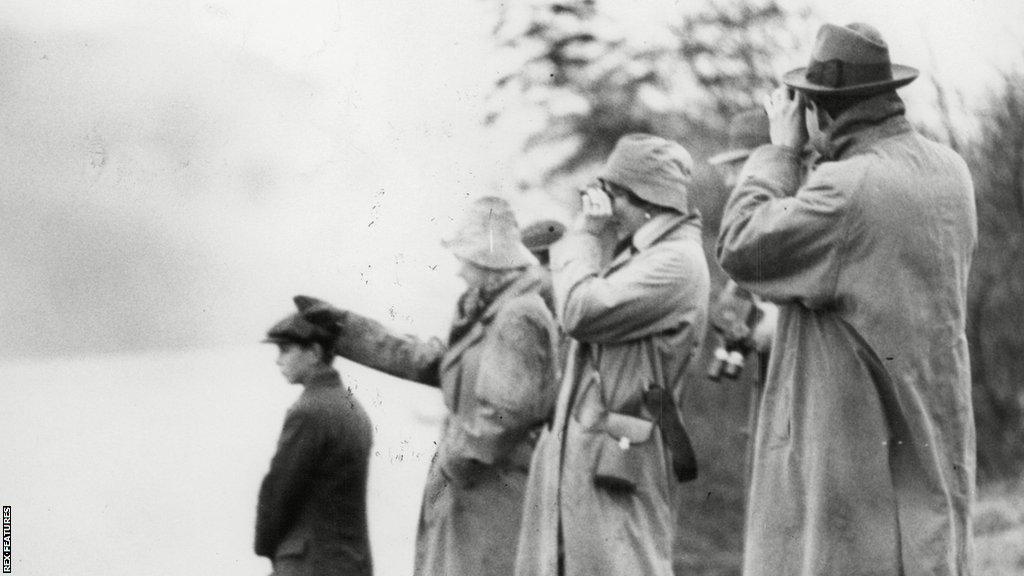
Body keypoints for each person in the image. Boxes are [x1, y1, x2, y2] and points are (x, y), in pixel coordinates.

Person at [717, 22, 977, 576]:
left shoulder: (847, 190)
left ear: (819, 110)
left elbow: (741, 246)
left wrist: (777, 152)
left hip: (858, 459)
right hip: (925, 442)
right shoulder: (950, 171)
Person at [296, 196, 560, 576]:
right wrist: (346, 329)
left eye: (465, 260)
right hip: (473, 494)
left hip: (495, 498)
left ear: (488, 262)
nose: (459, 272)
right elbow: (434, 363)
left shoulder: (519, 315)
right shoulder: (486, 310)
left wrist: (455, 459)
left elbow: (507, 415)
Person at [516, 134, 710, 576]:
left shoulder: (676, 262)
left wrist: (585, 234)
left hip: (623, 454)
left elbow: (580, 313)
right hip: (596, 451)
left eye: (613, 196)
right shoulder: (644, 254)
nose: (605, 208)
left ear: (643, 199)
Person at [255, 300, 374, 576]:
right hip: (351, 565)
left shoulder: (308, 411)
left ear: (314, 352)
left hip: (308, 564)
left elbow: (278, 491)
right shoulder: (353, 408)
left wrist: (268, 548)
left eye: (285, 349)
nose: (278, 359)